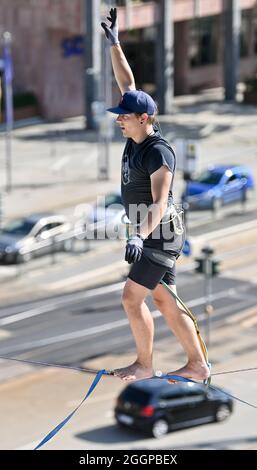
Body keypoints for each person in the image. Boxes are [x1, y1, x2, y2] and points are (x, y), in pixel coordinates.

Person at [101, 8, 210, 383]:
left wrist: (137, 235)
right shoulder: (138, 133)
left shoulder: (158, 152)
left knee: (131, 298)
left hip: (160, 232)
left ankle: (144, 364)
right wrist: (115, 42)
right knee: (163, 299)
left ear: (143, 119)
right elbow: (127, 82)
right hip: (153, 232)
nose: (119, 118)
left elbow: (160, 203)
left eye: (124, 116)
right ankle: (197, 365)